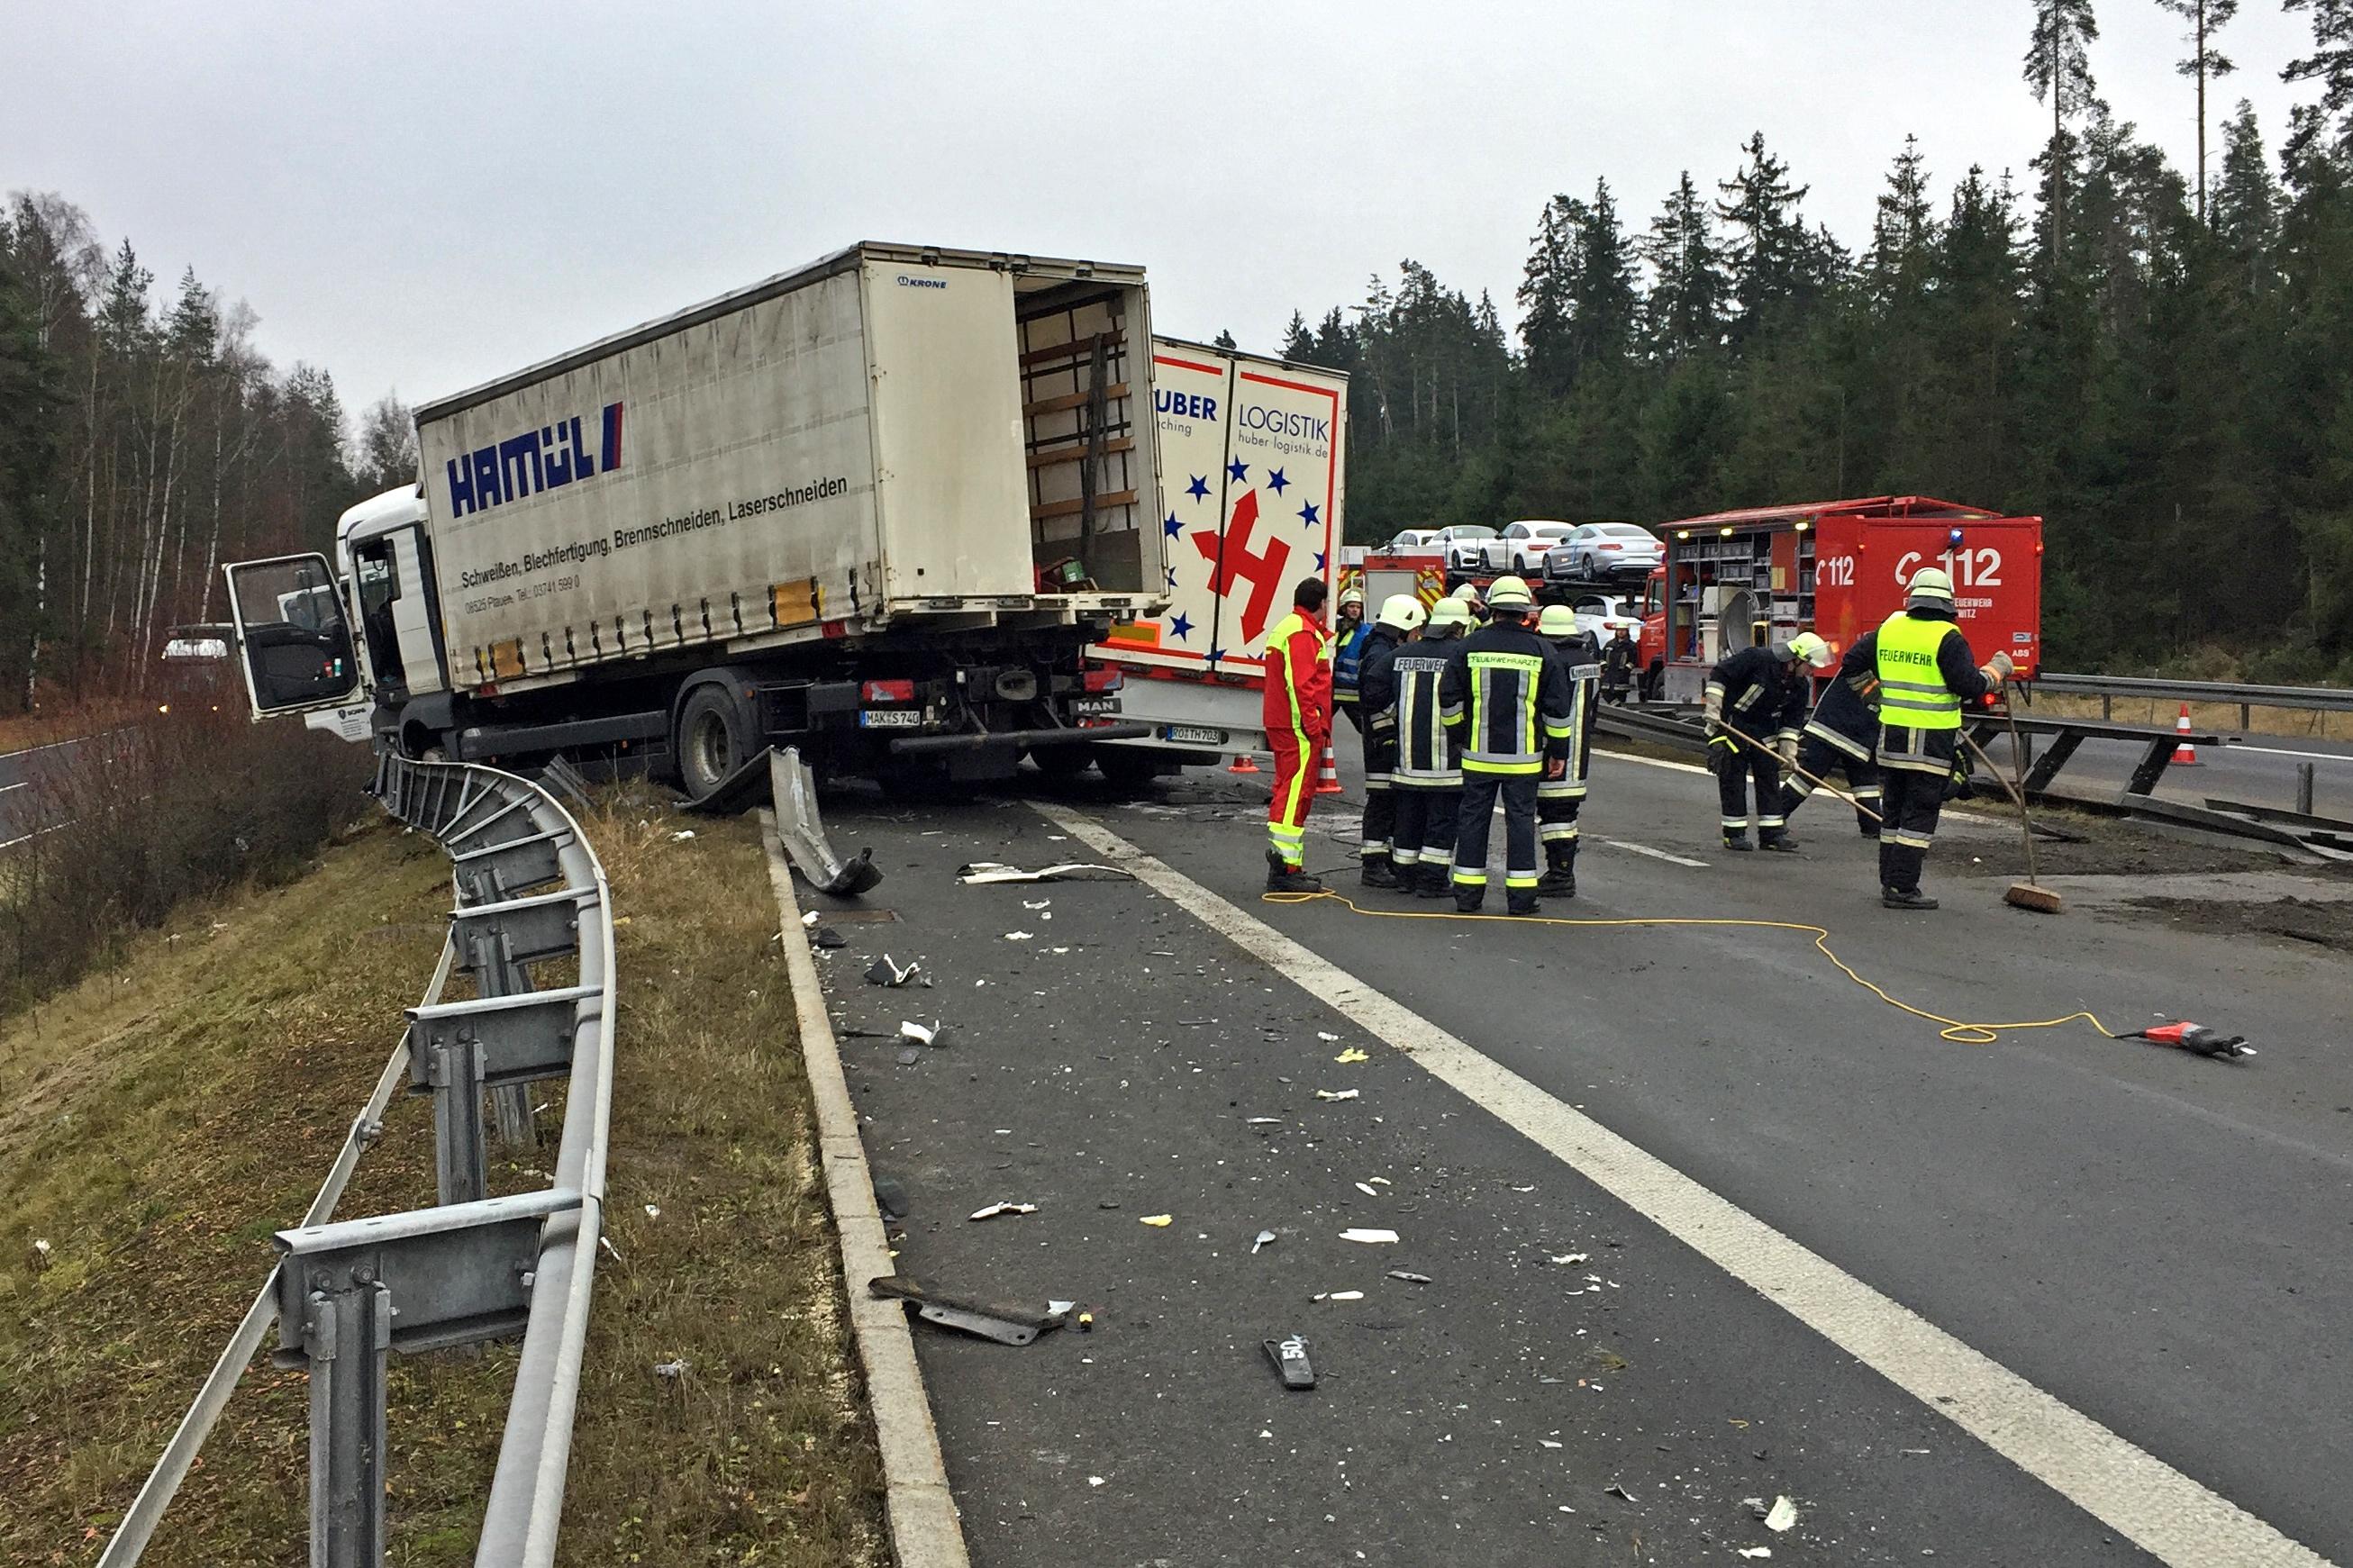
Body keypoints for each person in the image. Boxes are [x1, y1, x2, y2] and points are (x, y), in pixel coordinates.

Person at [1860, 567, 2013, 910]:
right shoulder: (1948, 636)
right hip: (1929, 743)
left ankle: (1890, 882)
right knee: (1920, 816)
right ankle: (1902, 889)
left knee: (1894, 814)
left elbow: (1853, 661)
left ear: (1913, 597)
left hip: (1892, 739)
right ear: (1948, 602)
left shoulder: (1891, 627)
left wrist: (1873, 697)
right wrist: (1997, 671)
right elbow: (1969, 686)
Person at [1440, 576, 1574, 916]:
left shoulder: (1467, 646)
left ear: (1494, 609)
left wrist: (1459, 736)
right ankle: (1522, 899)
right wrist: (1559, 752)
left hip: (1477, 756)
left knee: (1472, 823)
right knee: (1520, 824)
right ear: (1525, 613)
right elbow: (1557, 709)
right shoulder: (1544, 650)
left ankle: (1468, 896)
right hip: (1524, 760)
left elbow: (1449, 699)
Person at [1390, 596, 1468, 897]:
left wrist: (1387, 727)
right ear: (1458, 627)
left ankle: (1404, 877)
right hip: (1446, 763)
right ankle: (1433, 881)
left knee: (1408, 819)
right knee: (1442, 821)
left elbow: (1372, 684)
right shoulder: (1461, 654)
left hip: (1407, 761)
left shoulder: (1403, 653)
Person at [1704, 635, 1812, 851]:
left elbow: (1791, 723)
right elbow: (1720, 674)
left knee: (1769, 779)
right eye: (1809, 665)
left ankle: (1771, 834)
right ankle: (1734, 835)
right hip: (1730, 725)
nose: (1811, 671)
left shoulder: (1799, 686)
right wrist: (1714, 707)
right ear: (1795, 659)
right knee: (1733, 779)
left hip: (1763, 731)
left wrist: (1789, 753)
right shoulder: (1757, 659)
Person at [1262, 576, 1335, 893]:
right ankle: (1285, 869)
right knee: (1294, 794)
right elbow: (1301, 684)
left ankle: (1287, 865)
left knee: (1288, 789)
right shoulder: (1303, 633)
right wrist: (1312, 724)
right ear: (1321, 603)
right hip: (1297, 727)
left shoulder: (1289, 627)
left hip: (1285, 722)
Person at [1353, 594, 1427, 888]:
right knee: (1382, 803)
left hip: (1382, 740)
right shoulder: (1381, 655)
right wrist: (1394, 723)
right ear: (1403, 626)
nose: (1416, 636)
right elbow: (1374, 700)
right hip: (1383, 743)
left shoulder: (1378, 646)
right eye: (1414, 630)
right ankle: (1373, 865)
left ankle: (1382, 860)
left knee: (1388, 802)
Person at [1777, 631, 1882, 838]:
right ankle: (1775, 814)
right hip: (1834, 728)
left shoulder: (1873, 653)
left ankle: (1873, 826)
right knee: (1810, 775)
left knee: (1865, 780)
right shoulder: (1872, 654)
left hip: (1855, 732)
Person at [1534, 603, 1602, 897]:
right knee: (1567, 814)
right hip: (1580, 751)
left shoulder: (1553, 661)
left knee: (1554, 815)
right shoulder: (1588, 661)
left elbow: (1547, 707)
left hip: (1556, 750)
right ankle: (1563, 871)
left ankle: (1560, 875)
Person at [1331, 585, 1370, 730]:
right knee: (1318, 727)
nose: (1355, 610)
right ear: (1344, 608)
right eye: (1351, 606)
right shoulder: (1333, 627)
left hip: (1353, 692)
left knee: (1366, 729)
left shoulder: (1367, 632)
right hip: (1332, 689)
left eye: (1358, 607)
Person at [1599, 624, 1637, 705]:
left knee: (1620, 694)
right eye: (1619, 630)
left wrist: (1626, 670)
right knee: (1605, 693)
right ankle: (1617, 707)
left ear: (1627, 631)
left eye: (1623, 630)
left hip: (1622, 675)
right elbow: (1602, 657)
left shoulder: (1631, 646)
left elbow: (1633, 660)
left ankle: (1620, 710)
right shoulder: (1610, 644)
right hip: (1609, 674)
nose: (1621, 632)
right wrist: (1604, 667)